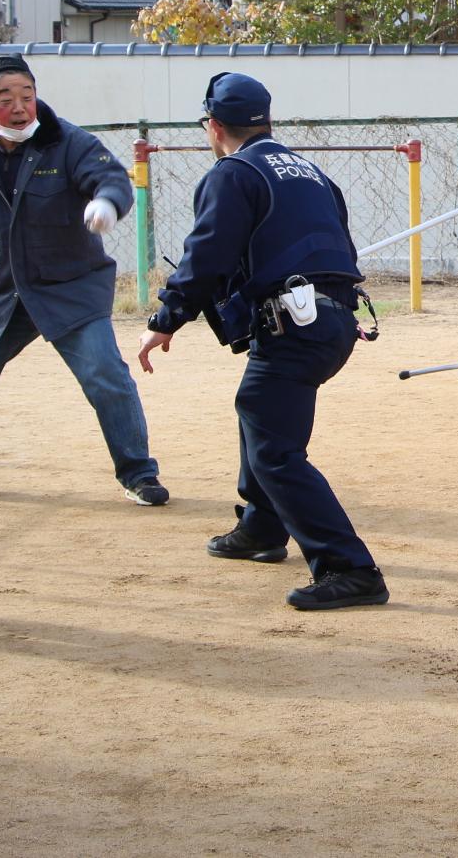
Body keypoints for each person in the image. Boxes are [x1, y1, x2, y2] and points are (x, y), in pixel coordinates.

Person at [136, 72, 386, 611]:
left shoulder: (234, 173)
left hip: (292, 322)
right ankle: (262, 527)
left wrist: (167, 317)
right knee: (259, 410)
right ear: (267, 121)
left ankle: (351, 568)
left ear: (214, 126)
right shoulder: (314, 174)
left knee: (275, 448)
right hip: (333, 320)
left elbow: (207, 254)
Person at [0, 55, 166, 505]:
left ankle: (139, 474)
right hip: (2, 292)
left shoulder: (68, 142)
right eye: (6, 99)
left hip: (71, 288)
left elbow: (110, 177)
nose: (19, 107)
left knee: (106, 376)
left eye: (27, 96)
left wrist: (107, 204)